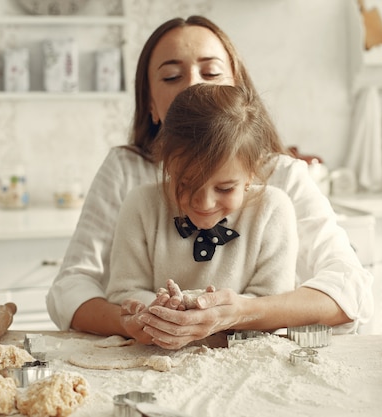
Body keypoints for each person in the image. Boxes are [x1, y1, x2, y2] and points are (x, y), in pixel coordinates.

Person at [46, 15, 374, 349]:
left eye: (212, 73)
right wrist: (139, 320)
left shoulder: (282, 179)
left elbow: (351, 289)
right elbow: (72, 286)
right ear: (150, 105)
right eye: (172, 75)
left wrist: (242, 313)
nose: (193, 86)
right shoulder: (126, 173)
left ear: (237, 91)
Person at [106, 83, 298, 314]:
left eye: (225, 189)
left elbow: (272, 302)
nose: (204, 203)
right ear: (167, 166)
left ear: (250, 173)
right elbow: (123, 292)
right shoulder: (141, 205)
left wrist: (215, 314)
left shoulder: (272, 210)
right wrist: (165, 309)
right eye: (186, 184)